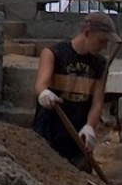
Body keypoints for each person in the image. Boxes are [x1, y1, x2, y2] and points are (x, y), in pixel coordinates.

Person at [33, 11, 116, 167]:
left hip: (77, 135)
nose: (104, 46)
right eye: (101, 41)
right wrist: (44, 93)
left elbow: (97, 102)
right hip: (49, 130)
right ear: (87, 33)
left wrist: (90, 127)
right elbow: (40, 84)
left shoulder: (100, 65)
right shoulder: (53, 54)